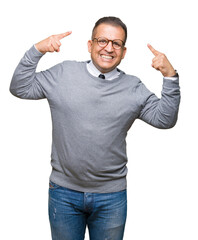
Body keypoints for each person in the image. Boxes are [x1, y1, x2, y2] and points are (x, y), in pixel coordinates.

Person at [10, 16, 180, 240]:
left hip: (111, 197)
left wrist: (170, 76)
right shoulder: (63, 73)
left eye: (116, 43)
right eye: (102, 41)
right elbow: (20, 87)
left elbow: (165, 119)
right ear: (90, 45)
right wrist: (37, 50)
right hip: (63, 193)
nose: (109, 48)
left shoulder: (133, 87)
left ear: (123, 51)